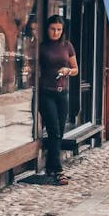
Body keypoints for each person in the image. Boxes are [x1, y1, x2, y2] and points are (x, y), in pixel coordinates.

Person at [38, 15, 78, 185]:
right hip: (46, 92)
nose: (55, 32)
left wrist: (68, 71)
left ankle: (50, 167)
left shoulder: (67, 46)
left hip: (62, 93)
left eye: (59, 30)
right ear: (47, 29)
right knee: (53, 130)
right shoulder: (42, 47)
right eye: (53, 29)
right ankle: (58, 170)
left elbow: (76, 69)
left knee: (59, 132)